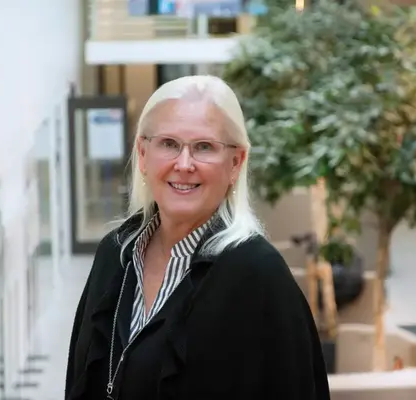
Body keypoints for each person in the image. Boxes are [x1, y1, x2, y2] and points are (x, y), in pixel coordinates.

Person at [65, 75, 330, 400]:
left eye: (204, 147)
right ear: (143, 154)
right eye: (169, 144)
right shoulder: (115, 254)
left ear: (236, 162)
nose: (184, 164)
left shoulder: (260, 275)